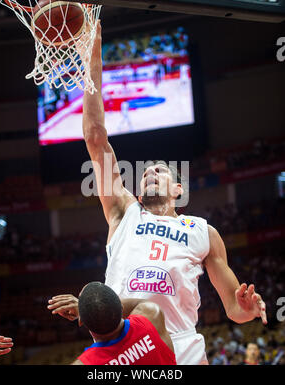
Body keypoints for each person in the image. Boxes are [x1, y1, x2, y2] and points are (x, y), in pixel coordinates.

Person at [73, 21, 267, 365]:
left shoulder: (203, 232)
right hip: (125, 343)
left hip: (183, 346)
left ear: (179, 189)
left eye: (159, 171)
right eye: (145, 173)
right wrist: (92, 58)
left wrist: (246, 308)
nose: (148, 174)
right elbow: (94, 137)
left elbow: (234, 309)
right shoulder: (123, 212)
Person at [48, 282, 176, 365]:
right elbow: (136, 304)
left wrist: (87, 310)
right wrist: (86, 308)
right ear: (120, 306)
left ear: (81, 321)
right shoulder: (152, 315)